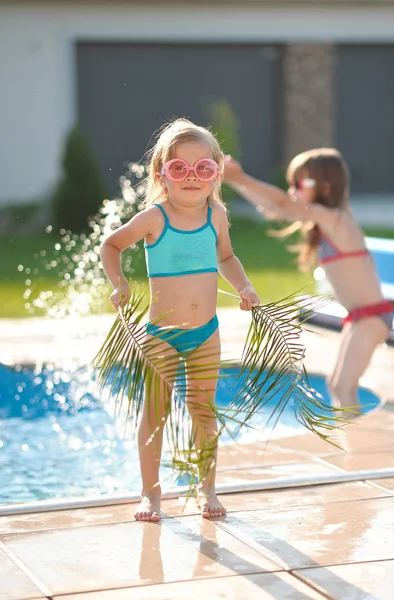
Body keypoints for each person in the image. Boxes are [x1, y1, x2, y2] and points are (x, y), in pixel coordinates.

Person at [100, 118, 260, 522]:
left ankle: (208, 488)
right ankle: (150, 494)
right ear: (161, 175)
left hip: (206, 333)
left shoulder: (216, 214)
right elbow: (111, 244)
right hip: (161, 337)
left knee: (203, 411)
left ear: (216, 174)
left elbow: (225, 257)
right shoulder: (155, 217)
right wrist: (119, 283)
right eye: (179, 169)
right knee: (155, 413)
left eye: (203, 168)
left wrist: (243, 285)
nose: (192, 177)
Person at [223, 148, 394, 419]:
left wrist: (241, 177)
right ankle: (349, 440)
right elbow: (273, 208)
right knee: (336, 385)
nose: (292, 190)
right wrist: (233, 181)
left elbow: (282, 204)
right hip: (360, 317)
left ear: (325, 186)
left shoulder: (336, 219)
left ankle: (358, 450)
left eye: (299, 184)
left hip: (372, 317)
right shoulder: (324, 222)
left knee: (345, 388)